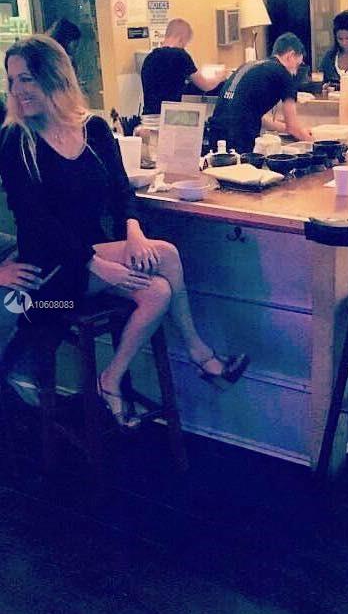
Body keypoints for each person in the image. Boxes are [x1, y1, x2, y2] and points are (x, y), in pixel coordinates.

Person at [0, 36, 247, 429]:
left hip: (93, 258)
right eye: (12, 81)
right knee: (167, 255)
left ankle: (110, 379)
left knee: (159, 291)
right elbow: (37, 223)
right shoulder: (17, 140)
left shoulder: (94, 129)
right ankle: (201, 355)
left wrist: (133, 232)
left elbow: (120, 190)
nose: (18, 90)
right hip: (48, 282)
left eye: (26, 78)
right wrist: (98, 265)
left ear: (54, 76)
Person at [208, 32, 312, 154]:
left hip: (216, 132)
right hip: (240, 136)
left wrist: (294, 129)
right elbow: (292, 128)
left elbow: (252, 114)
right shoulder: (284, 75)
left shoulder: (250, 66)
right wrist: (315, 143)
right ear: (291, 55)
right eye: (297, 65)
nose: (295, 71)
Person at [140, 18, 226, 115]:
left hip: (148, 117)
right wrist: (219, 78)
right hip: (167, 117)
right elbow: (205, 85)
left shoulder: (149, 58)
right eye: (185, 43)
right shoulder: (180, 55)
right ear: (181, 39)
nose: (184, 46)